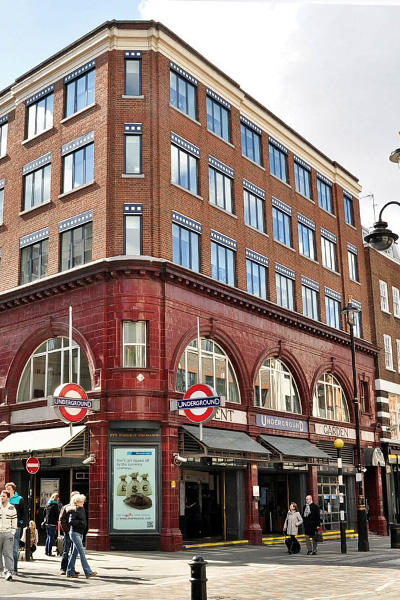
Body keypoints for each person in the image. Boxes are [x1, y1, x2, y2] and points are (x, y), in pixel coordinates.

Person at [66, 494, 97, 579]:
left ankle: (69, 571)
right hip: (75, 533)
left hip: (80, 532)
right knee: (82, 552)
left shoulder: (81, 509)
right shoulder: (75, 510)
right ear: (77, 502)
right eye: (81, 501)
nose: (83, 502)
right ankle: (88, 572)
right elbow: (71, 521)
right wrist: (81, 523)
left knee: (74, 553)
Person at [5, 482, 25, 574]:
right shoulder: (4, 499)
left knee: (14, 549)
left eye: (9, 489)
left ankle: (14, 568)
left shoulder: (19, 499)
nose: (7, 490)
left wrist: (19, 524)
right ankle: (7, 568)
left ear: (13, 489)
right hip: (5, 527)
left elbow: (23, 513)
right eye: (6, 489)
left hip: (15, 527)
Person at [59, 491, 80, 576]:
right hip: (68, 533)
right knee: (66, 551)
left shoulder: (78, 508)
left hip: (76, 532)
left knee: (74, 552)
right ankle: (63, 568)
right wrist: (66, 531)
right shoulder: (66, 507)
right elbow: (62, 520)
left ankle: (71, 568)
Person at [0, 489, 18, 581]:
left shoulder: (11, 508)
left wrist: (12, 531)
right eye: (1, 496)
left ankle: (8, 571)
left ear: (7, 498)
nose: (2, 497)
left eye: (3, 496)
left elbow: (14, 520)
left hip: (8, 533)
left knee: (8, 552)